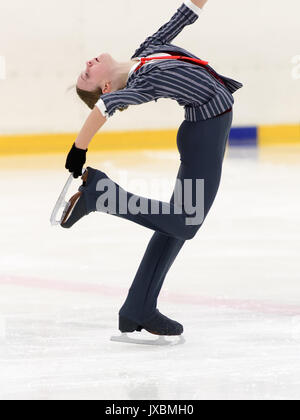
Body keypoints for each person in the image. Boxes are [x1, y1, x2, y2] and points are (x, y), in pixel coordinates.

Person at [62, 0, 243, 337]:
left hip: (202, 132)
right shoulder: (142, 82)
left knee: (176, 223)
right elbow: (106, 106)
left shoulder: (148, 50)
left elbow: (184, 14)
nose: (88, 63)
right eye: (87, 73)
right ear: (104, 85)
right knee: (186, 223)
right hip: (204, 136)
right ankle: (101, 195)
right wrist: (79, 147)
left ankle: (138, 307)